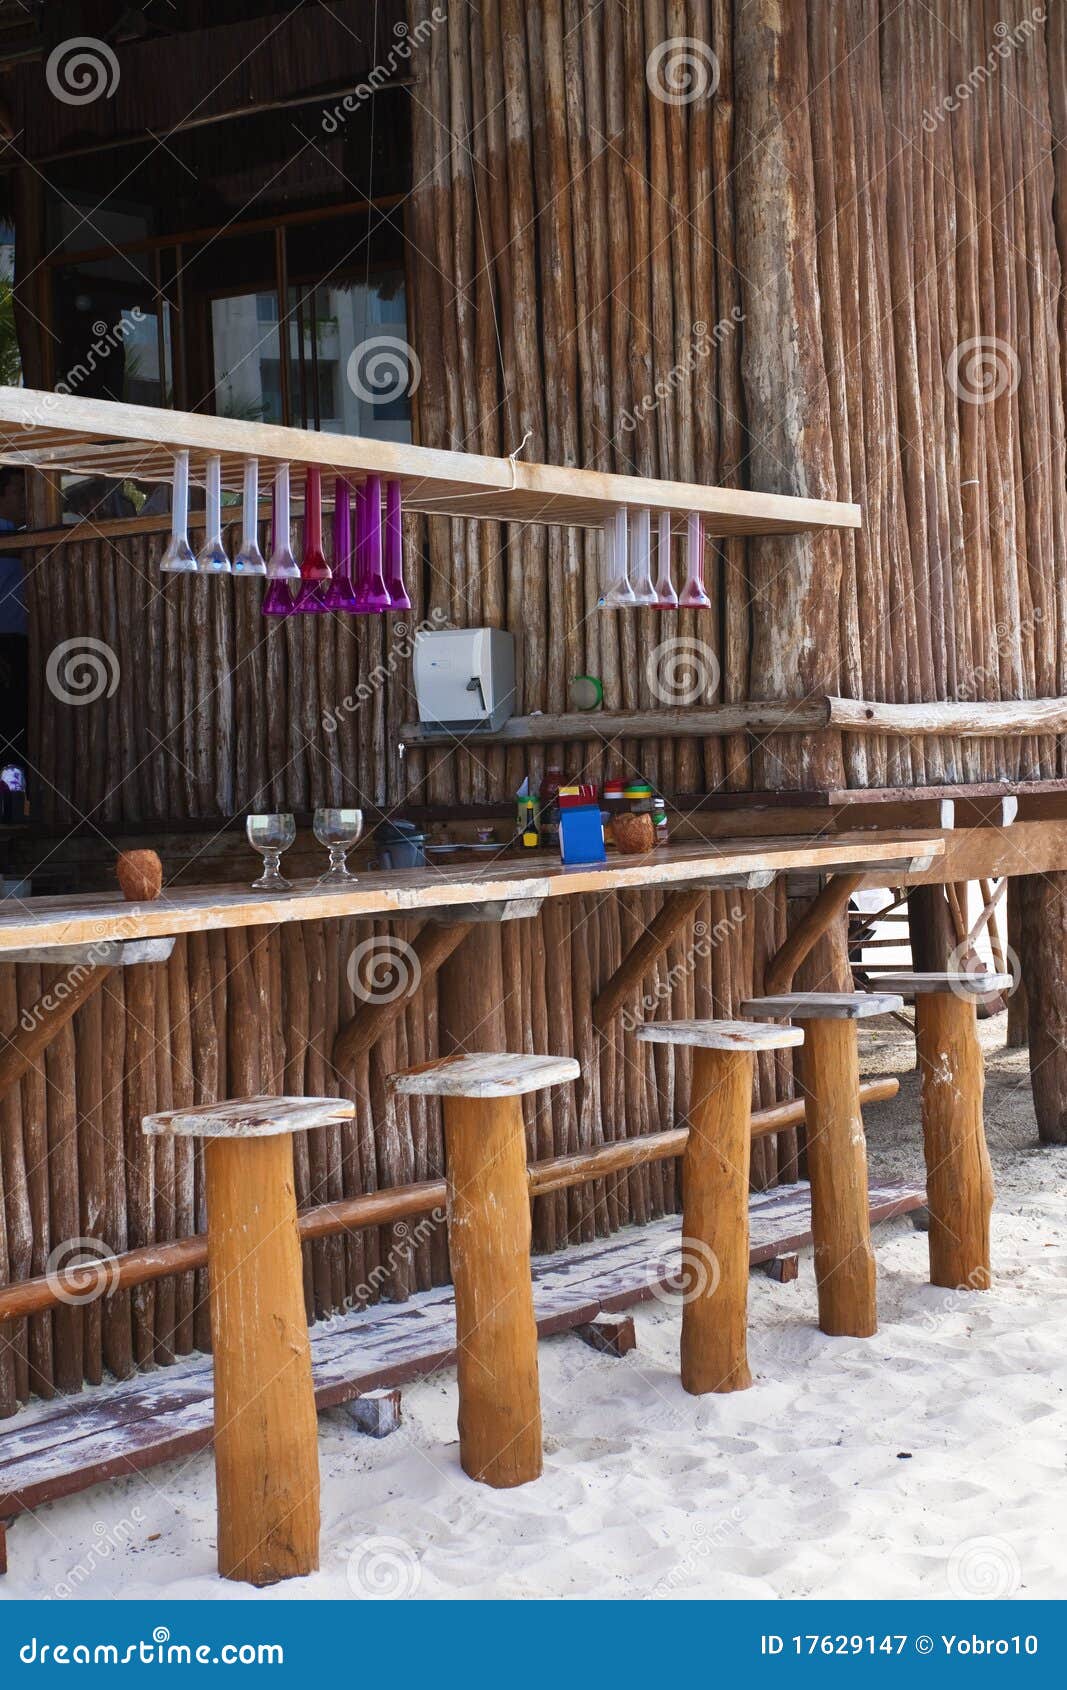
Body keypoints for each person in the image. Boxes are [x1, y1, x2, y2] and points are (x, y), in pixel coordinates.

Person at [0, 465, 28, 764]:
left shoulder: (23, 536)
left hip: (18, 642)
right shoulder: (13, 537)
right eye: (21, 492)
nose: (27, 500)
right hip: (6, 643)